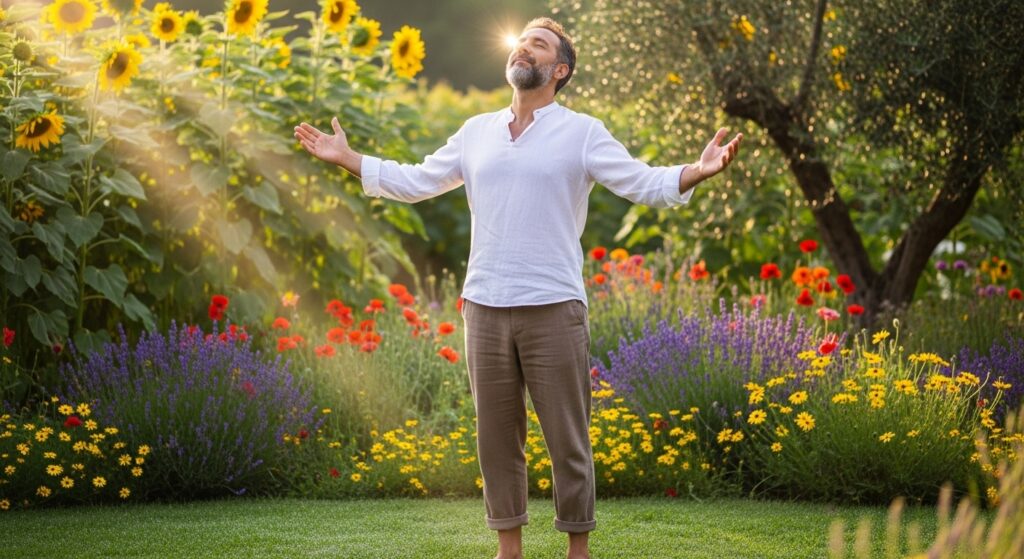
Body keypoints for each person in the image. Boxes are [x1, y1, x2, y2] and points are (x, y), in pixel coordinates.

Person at [294, 16, 741, 559]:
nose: (524, 48)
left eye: (539, 44)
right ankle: (510, 549)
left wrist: (697, 169)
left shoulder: (582, 132)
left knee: (567, 439)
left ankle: (578, 548)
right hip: (484, 306)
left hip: (553, 305)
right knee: (497, 441)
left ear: (559, 69)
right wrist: (349, 159)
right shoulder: (477, 130)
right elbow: (416, 180)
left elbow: (643, 182)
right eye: (522, 40)